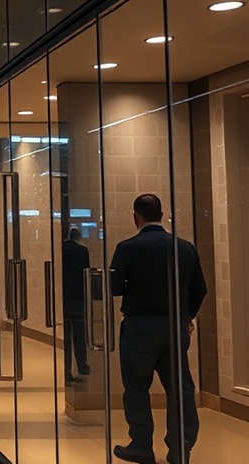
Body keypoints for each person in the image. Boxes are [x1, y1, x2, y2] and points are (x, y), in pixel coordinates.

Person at [111, 194, 208, 464]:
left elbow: (114, 287)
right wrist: (187, 316)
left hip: (140, 327)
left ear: (135, 217)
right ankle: (181, 447)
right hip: (175, 327)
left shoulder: (127, 247)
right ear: (162, 215)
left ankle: (141, 445)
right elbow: (200, 289)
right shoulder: (185, 248)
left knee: (136, 387)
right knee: (180, 388)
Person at [62, 227, 91, 384]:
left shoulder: (62, 249)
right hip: (79, 297)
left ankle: (66, 370)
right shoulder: (82, 251)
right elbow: (85, 273)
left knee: (66, 337)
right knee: (80, 334)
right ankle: (82, 365)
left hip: (65, 297)